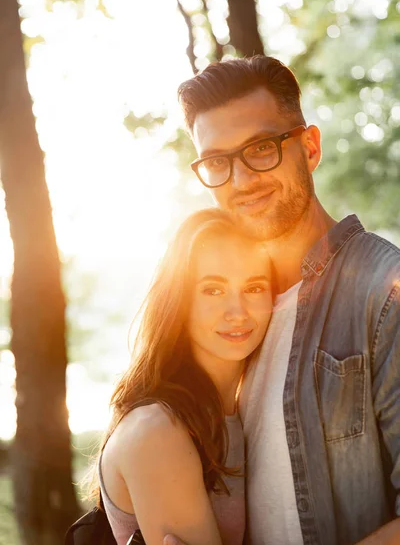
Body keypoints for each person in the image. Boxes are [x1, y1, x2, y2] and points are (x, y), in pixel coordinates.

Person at [164, 56, 400, 545]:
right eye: (217, 162)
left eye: (262, 148)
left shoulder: (385, 292)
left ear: (309, 147)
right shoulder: (232, 318)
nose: (241, 180)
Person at [90, 208, 273, 545]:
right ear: (179, 301)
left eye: (254, 287)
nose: (238, 312)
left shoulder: (245, 412)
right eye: (213, 290)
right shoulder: (157, 429)